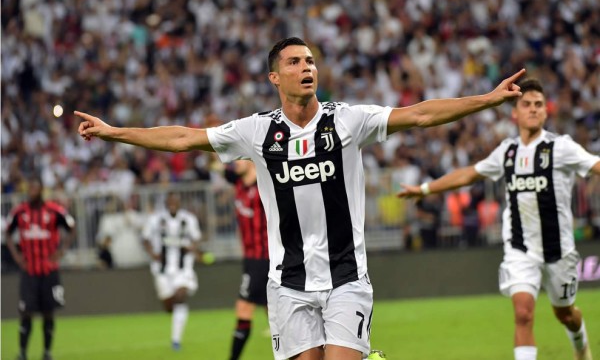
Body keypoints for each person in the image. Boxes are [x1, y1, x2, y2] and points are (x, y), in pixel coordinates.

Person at [75, 37, 525, 360]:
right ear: (275, 76)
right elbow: (181, 139)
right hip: (287, 283)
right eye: (294, 61)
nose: (306, 67)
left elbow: (423, 114)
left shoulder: (349, 120)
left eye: (310, 60)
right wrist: (116, 133)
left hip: (346, 276)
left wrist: (488, 99)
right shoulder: (256, 131)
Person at [398, 78, 599, 360]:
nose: (532, 109)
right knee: (523, 313)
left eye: (538, 105)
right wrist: (425, 188)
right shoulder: (508, 151)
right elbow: (470, 174)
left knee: (565, 314)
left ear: (545, 112)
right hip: (520, 249)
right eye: (526, 104)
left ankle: (581, 347)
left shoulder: (561, 148)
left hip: (559, 249)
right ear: (515, 113)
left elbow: (595, 165)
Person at [5, 178, 76, 360]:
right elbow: (7, 232)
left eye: (35, 187)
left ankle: (46, 352)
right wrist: (17, 256)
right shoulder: (20, 212)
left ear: (41, 189)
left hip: (49, 270)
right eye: (30, 188)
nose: (32, 191)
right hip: (29, 272)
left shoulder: (54, 210)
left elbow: (72, 228)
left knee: (48, 312)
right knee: (26, 312)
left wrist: (61, 251)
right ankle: (22, 352)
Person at [141, 192, 203, 351]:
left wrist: (192, 248)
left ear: (179, 203)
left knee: (181, 296)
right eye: (170, 202)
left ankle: (176, 340)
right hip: (162, 269)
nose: (172, 204)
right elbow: (145, 238)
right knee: (169, 306)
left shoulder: (188, 219)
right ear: (166, 203)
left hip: (183, 267)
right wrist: (152, 254)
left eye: (175, 202)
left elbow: (196, 239)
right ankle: (173, 311)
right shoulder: (155, 219)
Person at [223, 160, 270, 360]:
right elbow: (224, 170)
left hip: (264, 258)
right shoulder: (239, 183)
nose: (234, 163)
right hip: (251, 258)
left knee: (244, 308)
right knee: (277, 313)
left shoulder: (264, 186)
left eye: (239, 158)